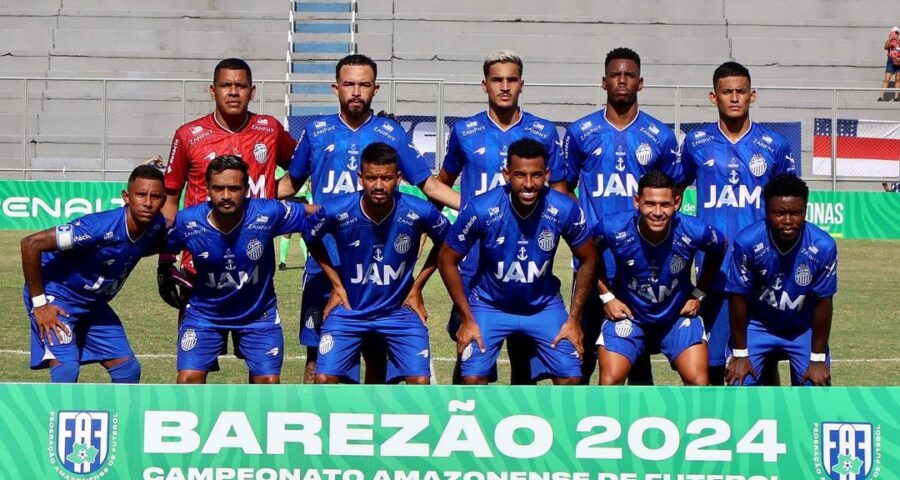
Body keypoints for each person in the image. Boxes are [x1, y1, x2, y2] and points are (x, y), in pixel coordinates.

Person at [278, 53, 460, 384]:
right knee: (317, 354)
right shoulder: (316, 131)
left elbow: (429, 184)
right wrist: (247, 202)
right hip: (326, 264)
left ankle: (369, 428)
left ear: (375, 89)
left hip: (378, 264)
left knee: (376, 351)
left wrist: (479, 209)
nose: (356, 91)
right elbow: (290, 183)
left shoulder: (390, 132)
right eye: (349, 84)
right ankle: (318, 426)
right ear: (336, 88)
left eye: (364, 84)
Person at [438, 49, 570, 385]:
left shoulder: (542, 131)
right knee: (469, 345)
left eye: (512, 79)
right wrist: (467, 212)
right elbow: (442, 184)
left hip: (525, 257)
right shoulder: (465, 131)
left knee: (523, 355)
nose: (505, 86)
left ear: (522, 84)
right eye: (497, 80)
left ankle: (518, 430)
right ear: (485, 85)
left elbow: (558, 193)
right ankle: (463, 423)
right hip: (474, 261)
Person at [159, 58, 297, 356]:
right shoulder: (188, 135)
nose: (233, 92)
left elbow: (299, 168)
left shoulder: (269, 129)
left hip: (254, 265)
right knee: (194, 366)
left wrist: (275, 191)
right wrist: (166, 258)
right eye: (226, 85)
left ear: (252, 91)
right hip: (200, 268)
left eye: (240, 85)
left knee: (261, 369)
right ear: (213, 90)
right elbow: (171, 196)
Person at [562, 47, 680, 384]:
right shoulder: (580, 131)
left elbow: (673, 195)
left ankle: (634, 430)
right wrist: (580, 228)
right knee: (579, 355)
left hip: (643, 262)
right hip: (591, 261)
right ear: (604, 82)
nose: (622, 80)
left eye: (629, 75)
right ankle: (578, 426)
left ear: (640, 83)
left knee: (636, 360)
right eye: (616, 74)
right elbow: (563, 187)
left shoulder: (660, 136)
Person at [438, 138, 597, 385]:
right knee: (472, 378)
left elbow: (588, 257)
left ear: (546, 174)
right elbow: (447, 258)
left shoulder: (564, 208)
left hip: (543, 306)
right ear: (506, 175)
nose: (529, 184)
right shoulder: (482, 208)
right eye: (520, 175)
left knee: (571, 378)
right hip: (490, 305)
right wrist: (467, 318)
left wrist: (574, 319)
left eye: (536, 175)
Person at [677, 61, 798, 385]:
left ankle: (770, 429)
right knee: (715, 364)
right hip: (713, 272)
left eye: (741, 92)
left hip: (762, 271)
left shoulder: (774, 145)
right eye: (727, 92)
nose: (734, 98)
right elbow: (672, 192)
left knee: (763, 362)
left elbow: (791, 203)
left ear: (752, 95)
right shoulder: (696, 142)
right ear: (713, 97)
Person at [305, 143, 448, 384]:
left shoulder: (419, 210)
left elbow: (448, 244)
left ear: (398, 178)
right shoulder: (338, 209)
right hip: (350, 310)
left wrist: (417, 286)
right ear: (360, 178)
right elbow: (309, 235)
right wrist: (336, 284)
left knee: (420, 383)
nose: (379, 186)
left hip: (399, 311)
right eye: (371, 178)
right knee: (323, 379)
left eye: (386, 178)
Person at [165, 155, 312, 384]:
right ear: (207, 189)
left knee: (267, 384)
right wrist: (164, 266)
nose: (225, 196)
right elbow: (167, 244)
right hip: (205, 315)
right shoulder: (188, 221)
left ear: (246, 189)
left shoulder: (268, 212)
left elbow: (314, 213)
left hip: (258, 315)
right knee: (188, 380)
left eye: (234, 188)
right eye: (218, 188)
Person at [21, 165, 167, 383]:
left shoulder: (156, 226)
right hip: (58, 296)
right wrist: (40, 304)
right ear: (126, 197)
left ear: (163, 200)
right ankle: (52, 417)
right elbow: (30, 244)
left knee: (128, 370)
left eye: (155, 196)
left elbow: (143, 247)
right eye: (141, 195)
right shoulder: (95, 228)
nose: (147, 202)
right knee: (66, 370)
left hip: (93, 304)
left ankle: (122, 418)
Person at [592, 171, 726, 386]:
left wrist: (699, 293)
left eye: (665, 204)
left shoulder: (694, 230)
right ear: (637, 201)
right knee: (610, 381)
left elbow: (720, 246)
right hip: (630, 316)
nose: (657, 212)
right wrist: (607, 296)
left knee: (699, 381)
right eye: (650, 204)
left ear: (677, 202)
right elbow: (587, 254)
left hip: (676, 317)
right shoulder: (612, 227)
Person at [725, 175, 837, 386]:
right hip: (757, 326)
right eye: (779, 213)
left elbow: (824, 301)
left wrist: (818, 359)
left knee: (814, 385)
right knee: (739, 381)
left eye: (795, 213)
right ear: (766, 211)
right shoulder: (747, 242)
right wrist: (740, 353)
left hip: (802, 328)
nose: (787, 220)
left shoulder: (823, 246)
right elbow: (737, 297)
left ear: (805, 210)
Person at [276, 167, 311, 271]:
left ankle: (307, 261)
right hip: (289, 201)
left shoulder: (306, 169)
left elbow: (310, 186)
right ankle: (282, 261)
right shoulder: (286, 169)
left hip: (303, 201)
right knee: (287, 233)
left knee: (304, 233)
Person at [878, 26, 900, 101]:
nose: (895, 34)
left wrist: (897, 40)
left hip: (899, 61)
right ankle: (881, 96)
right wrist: (890, 39)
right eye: (894, 32)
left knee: (898, 79)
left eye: (896, 33)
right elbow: (885, 47)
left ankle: (896, 97)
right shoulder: (889, 41)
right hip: (890, 61)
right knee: (886, 79)